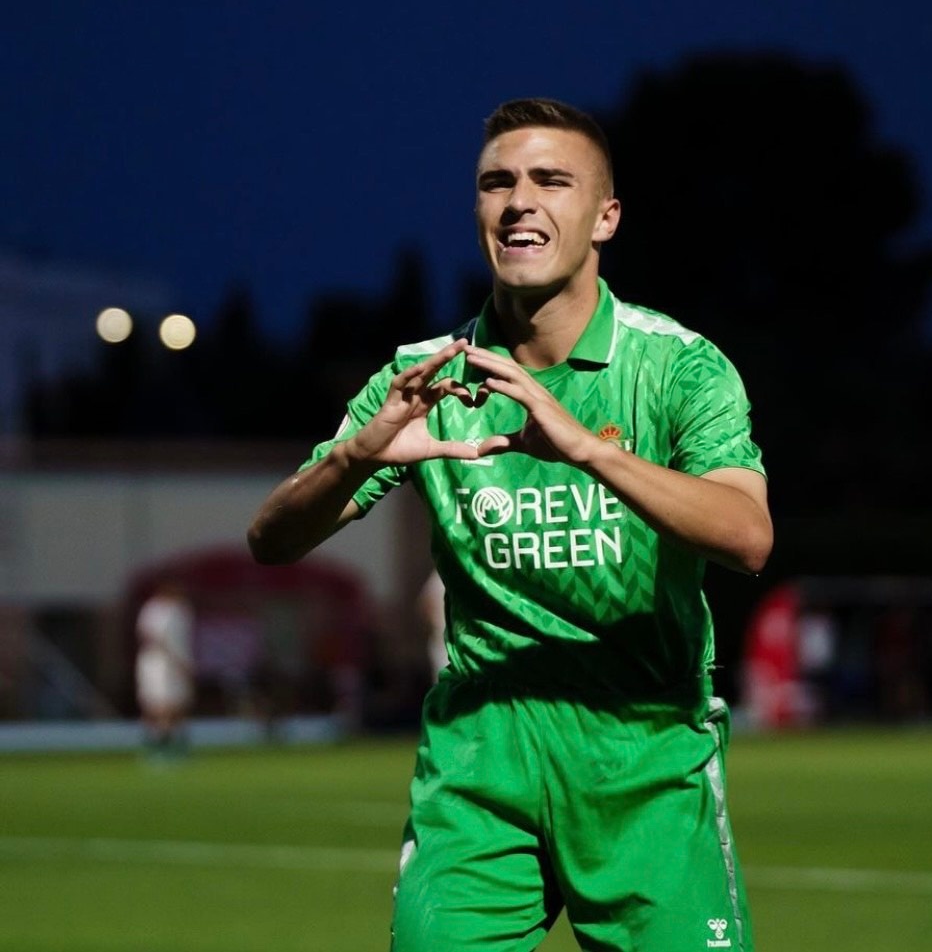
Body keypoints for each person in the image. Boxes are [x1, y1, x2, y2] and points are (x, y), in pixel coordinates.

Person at [247, 97, 773, 951]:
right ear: (479, 211)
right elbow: (270, 539)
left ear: (605, 217)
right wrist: (359, 456)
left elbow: (748, 536)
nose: (519, 199)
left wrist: (590, 451)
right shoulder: (423, 375)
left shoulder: (679, 364)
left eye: (550, 180)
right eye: (498, 182)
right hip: (481, 752)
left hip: (642, 751)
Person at [135, 582, 195, 759]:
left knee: (179, 704)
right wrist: (173, 658)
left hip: (179, 662)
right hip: (158, 665)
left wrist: (184, 662)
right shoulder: (153, 610)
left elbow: (184, 640)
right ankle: (158, 747)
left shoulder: (182, 610)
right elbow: (149, 636)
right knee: (159, 705)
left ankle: (175, 746)